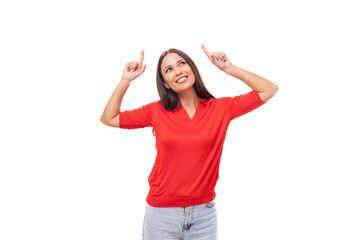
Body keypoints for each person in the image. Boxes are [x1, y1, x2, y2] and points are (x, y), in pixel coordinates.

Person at [100, 44, 278, 239]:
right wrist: (126, 80)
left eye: (181, 64)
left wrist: (229, 68)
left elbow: (269, 90)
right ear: (166, 83)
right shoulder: (156, 111)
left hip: (204, 215)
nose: (178, 71)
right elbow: (108, 118)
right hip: (161, 214)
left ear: (192, 69)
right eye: (169, 70)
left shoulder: (220, 109)